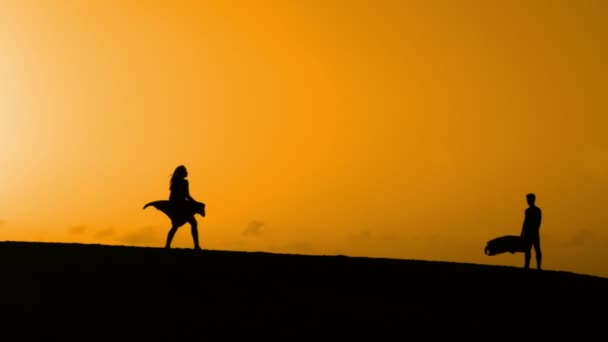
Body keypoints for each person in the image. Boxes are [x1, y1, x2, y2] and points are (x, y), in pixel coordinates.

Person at [165, 165, 202, 250]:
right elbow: (187, 196)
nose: (187, 172)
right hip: (181, 207)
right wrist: (196, 203)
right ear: (182, 173)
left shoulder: (175, 182)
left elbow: (171, 196)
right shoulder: (184, 182)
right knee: (192, 223)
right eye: (185, 171)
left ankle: (167, 246)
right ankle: (196, 246)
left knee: (176, 226)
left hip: (178, 205)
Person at [521, 193, 542, 270]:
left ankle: (538, 267)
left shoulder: (537, 210)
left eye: (528, 199)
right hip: (527, 233)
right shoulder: (527, 211)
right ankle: (527, 265)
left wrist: (535, 230)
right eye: (527, 199)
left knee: (537, 249)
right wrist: (522, 232)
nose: (527, 201)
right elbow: (525, 222)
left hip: (534, 233)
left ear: (533, 200)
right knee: (527, 250)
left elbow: (539, 222)